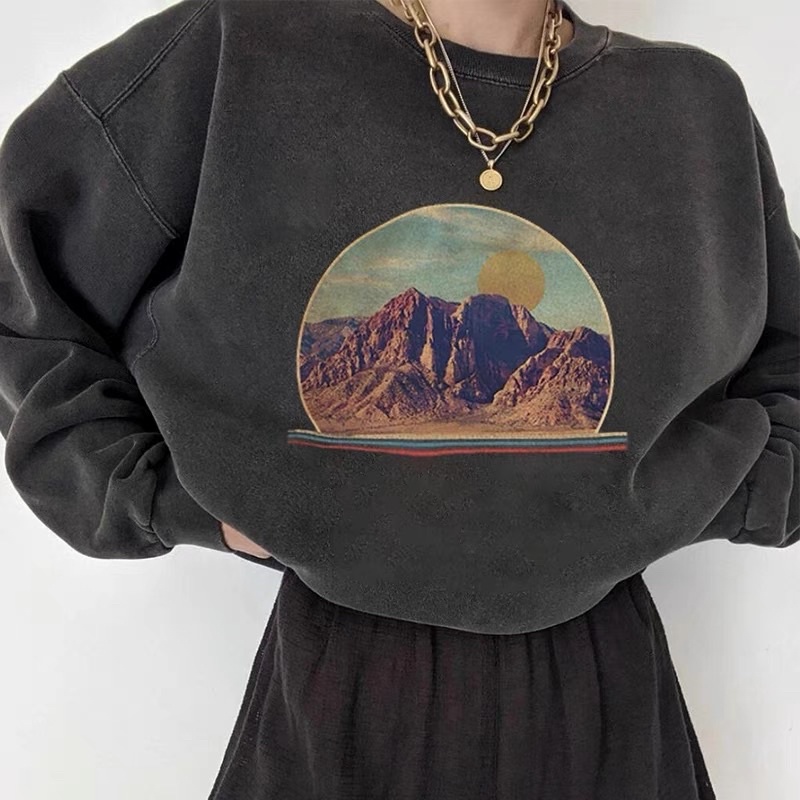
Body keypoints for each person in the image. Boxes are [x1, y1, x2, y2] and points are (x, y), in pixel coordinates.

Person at [0, 0, 797, 798]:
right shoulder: (241, 46)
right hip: (334, 684)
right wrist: (146, 492)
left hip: (611, 693)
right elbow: (22, 277)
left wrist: (727, 491)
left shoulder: (693, 106)